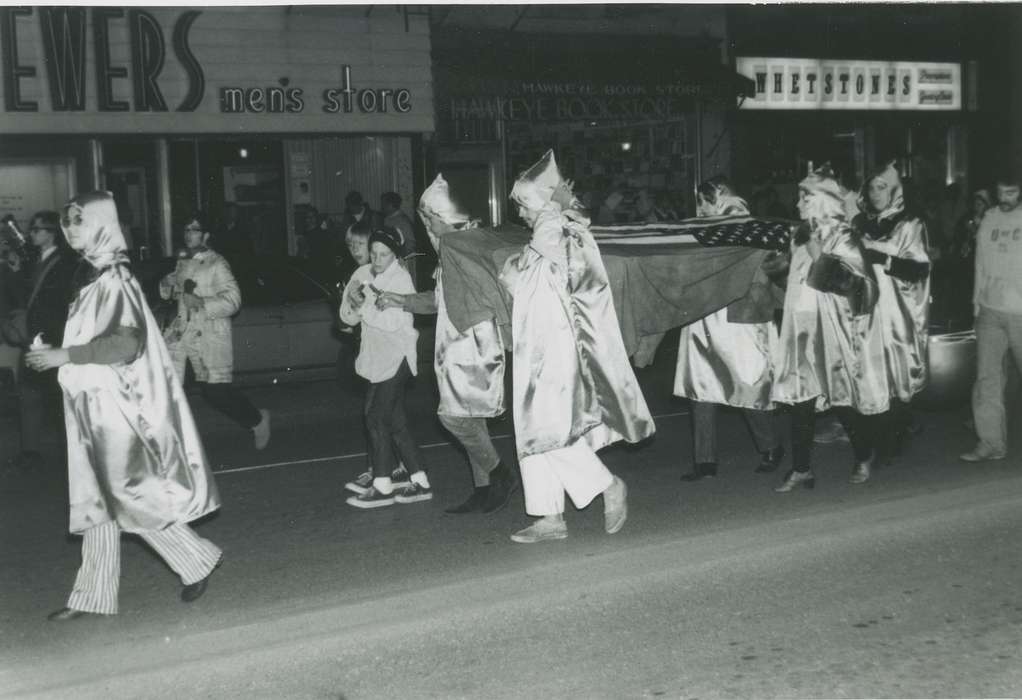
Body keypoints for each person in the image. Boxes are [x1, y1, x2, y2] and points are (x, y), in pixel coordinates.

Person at [24, 191, 222, 620]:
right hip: (88, 402)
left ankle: (196, 559)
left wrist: (65, 355)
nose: (69, 230)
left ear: (99, 223)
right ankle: (93, 595)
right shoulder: (91, 275)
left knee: (129, 494)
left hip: (114, 406)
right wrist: (57, 350)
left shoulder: (115, 278)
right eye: (67, 222)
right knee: (96, 498)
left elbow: (127, 343)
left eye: (78, 221)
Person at [499, 150, 655, 543]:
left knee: (546, 429)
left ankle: (608, 485)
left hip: (556, 350)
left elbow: (577, 277)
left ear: (538, 203)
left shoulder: (563, 232)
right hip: (533, 347)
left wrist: (554, 210)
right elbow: (528, 283)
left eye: (522, 205)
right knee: (531, 428)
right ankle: (548, 515)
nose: (519, 214)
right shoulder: (544, 236)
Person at [377, 174, 518, 514]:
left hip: (472, 345)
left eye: (427, 218)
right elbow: (441, 299)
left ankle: (501, 474)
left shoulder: (458, 244)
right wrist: (400, 300)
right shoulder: (457, 246)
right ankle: (484, 489)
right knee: (470, 419)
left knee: (455, 418)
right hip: (456, 343)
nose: (424, 224)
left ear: (438, 217)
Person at [771, 165, 885, 492]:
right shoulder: (799, 234)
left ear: (821, 200)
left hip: (830, 330)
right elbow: (789, 278)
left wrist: (821, 257)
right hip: (799, 327)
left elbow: (863, 289)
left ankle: (864, 454)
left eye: (804, 199)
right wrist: (774, 264)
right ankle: (802, 469)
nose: (797, 205)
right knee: (800, 399)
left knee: (840, 396)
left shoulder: (844, 235)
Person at [674, 178, 785, 481]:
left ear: (719, 197)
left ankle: (769, 446)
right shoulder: (712, 227)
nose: (700, 209)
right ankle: (706, 459)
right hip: (709, 312)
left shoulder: (743, 224)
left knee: (746, 381)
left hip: (740, 313)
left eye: (704, 202)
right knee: (701, 383)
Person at [339, 226, 432, 508]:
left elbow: (395, 323)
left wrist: (366, 306)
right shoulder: (362, 274)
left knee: (376, 417)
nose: (378, 260)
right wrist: (353, 304)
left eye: (385, 255)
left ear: (395, 255)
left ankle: (382, 486)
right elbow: (347, 318)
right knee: (395, 422)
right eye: (375, 253)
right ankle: (420, 481)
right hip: (376, 358)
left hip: (398, 357)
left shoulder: (401, 279)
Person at [159, 213, 271, 449]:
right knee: (169, 385)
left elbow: (233, 300)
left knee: (215, 392)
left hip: (208, 334)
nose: (189, 234)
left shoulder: (217, 263)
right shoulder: (183, 261)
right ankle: (171, 443)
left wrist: (202, 302)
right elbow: (173, 293)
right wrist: (167, 285)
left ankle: (257, 420)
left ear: (206, 235)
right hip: (182, 334)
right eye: (186, 229)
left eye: (195, 230)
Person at [853, 162, 931, 460]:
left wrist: (882, 259)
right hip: (866, 309)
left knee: (897, 373)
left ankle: (894, 438)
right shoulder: (859, 222)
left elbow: (920, 268)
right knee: (869, 372)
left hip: (897, 312)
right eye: (871, 187)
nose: (875, 193)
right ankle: (873, 438)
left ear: (895, 190)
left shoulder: (911, 223)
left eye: (882, 187)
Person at [961, 170, 1022, 462]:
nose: (1004, 199)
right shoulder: (989, 219)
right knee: (987, 379)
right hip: (989, 312)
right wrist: (976, 305)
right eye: (1001, 193)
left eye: (1011, 193)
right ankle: (991, 443)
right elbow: (980, 265)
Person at [13, 211, 78, 471]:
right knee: (29, 392)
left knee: (53, 394)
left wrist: (46, 334)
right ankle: (31, 450)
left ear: (52, 233)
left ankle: (68, 451)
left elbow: (58, 304)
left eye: (38, 230)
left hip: (50, 336)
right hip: (34, 334)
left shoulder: (64, 264)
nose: (33, 234)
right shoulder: (35, 261)